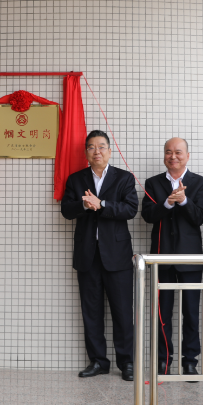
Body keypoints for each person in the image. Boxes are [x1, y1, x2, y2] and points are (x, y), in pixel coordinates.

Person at [62, 130, 138, 381]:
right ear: (86, 152)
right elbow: (66, 210)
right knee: (91, 311)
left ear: (109, 150)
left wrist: (102, 204)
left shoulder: (124, 178)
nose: (97, 151)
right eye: (92, 147)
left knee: (122, 311)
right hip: (88, 255)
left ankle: (127, 362)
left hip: (117, 255)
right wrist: (84, 205)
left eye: (101, 146)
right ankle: (98, 361)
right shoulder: (76, 179)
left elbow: (130, 209)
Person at [141, 138, 203, 376]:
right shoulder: (153, 183)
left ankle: (190, 361)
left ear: (187, 156)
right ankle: (164, 360)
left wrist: (184, 201)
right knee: (163, 313)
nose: (173, 156)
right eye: (169, 152)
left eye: (178, 152)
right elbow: (147, 215)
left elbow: (202, 218)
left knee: (191, 312)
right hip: (162, 259)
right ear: (164, 156)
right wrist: (168, 204)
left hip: (190, 259)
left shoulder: (201, 183)